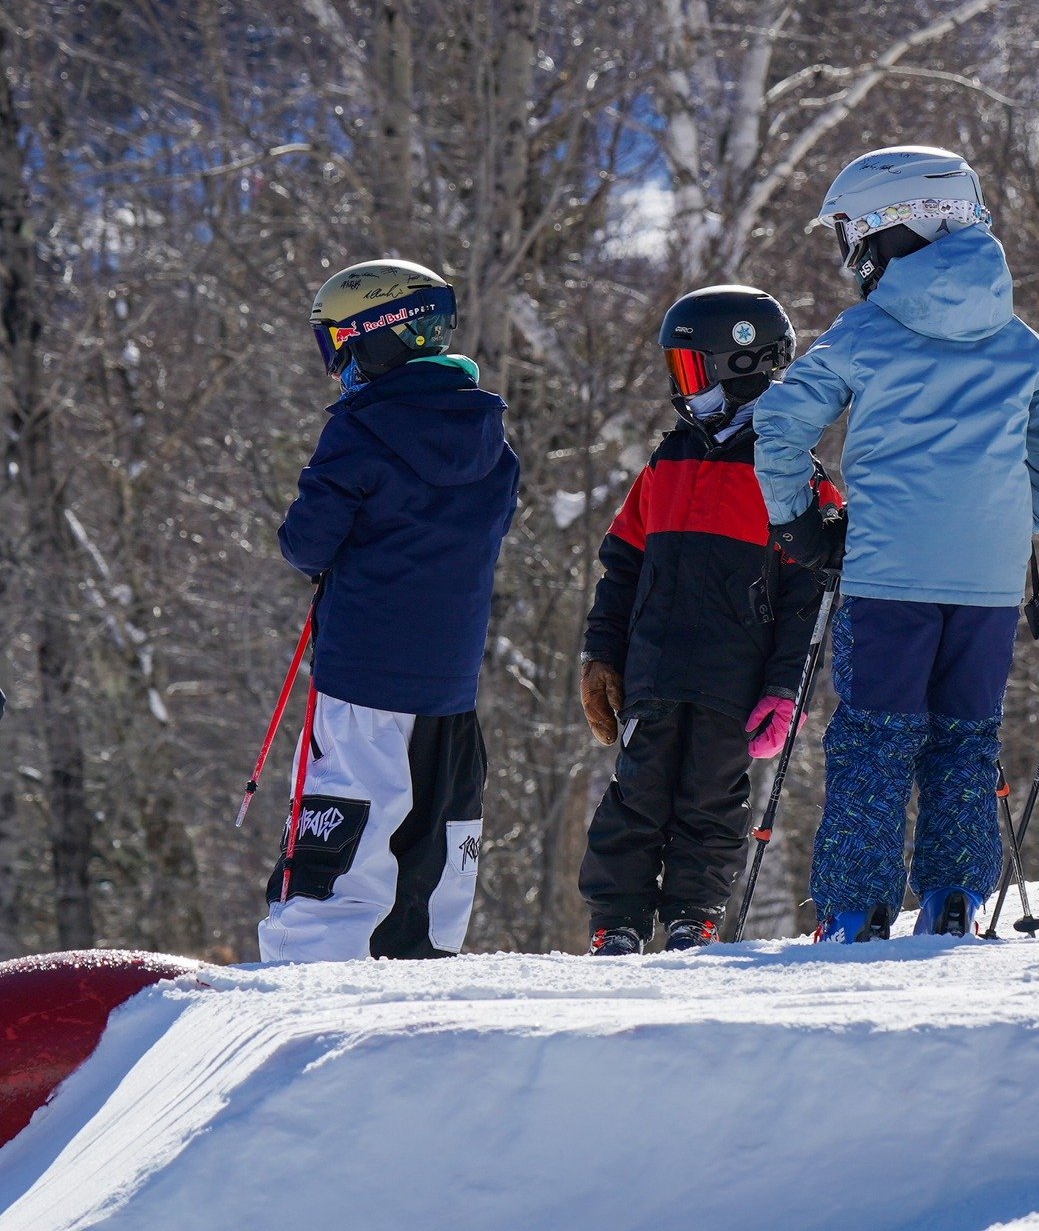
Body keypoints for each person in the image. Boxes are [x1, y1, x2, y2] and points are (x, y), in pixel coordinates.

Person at [752, 146, 1039, 943]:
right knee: (964, 740)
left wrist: (797, 520)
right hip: (987, 584)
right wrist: (1013, 521)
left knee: (874, 737)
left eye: (849, 235)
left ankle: (854, 913)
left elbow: (780, 419)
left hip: (887, 576)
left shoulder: (865, 333)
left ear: (885, 232)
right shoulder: (1019, 342)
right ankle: (952, 903)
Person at [261, 260, 519, 963]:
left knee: (346, 821)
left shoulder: (360, 431)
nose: (337, 361)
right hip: (450, 681)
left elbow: (304, 543)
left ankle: (309, 964)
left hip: (362, 676)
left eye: (339, 341)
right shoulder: (492, 442)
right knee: (437, 827)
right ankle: (423, 960)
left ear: (376, 338)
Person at [578, 285, 837, 955]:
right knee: (635, 794)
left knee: (709, 800)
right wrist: (600, 655)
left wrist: (785, 690)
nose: (681, 387)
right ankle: (619, 917)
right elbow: (621, 570)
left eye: (693, 370)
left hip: (735, 674)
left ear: (741, 366)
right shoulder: (667, 463)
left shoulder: (789, 472)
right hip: (653, 666)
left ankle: (694, 911)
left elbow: (807, 600)